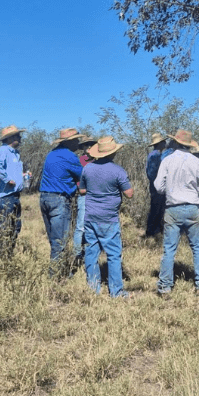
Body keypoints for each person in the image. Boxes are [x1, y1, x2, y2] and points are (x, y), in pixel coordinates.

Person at [154, 129, 199, 297]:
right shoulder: (197, 161)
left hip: (173, 208)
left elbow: (158, 186)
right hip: (193, 207)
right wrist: (195, 192)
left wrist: (169, 192)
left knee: (169, 249)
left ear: (176, 143)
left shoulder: (167, 160)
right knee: (198, 247)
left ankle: (165, 287)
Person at [80, 136, 134, 298]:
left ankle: (94, 288)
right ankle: (116, 291)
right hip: (108, 218)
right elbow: (129, 194)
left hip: (90, 215)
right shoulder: (118, 170)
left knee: (91, 251)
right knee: (113, 254)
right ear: (112, 153)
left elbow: (82, 191)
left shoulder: (87, 168)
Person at [39, 128, 84, 268]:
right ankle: (56, 277)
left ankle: (56, 269)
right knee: (60, 241)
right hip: (59, 199)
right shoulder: (70, 156)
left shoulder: (51, 154)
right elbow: (83, 175)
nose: (78, 143)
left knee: (53, 239)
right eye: (76, 140)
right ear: (69, 142)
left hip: (44, 198)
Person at [0, 125, 29, 251]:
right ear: (11, 138)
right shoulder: (2, 151)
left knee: (14, 228)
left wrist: (23, 176)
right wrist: (7, 179)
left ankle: (7, 257)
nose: (20, 137)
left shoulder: (15, 153)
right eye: (17, 135)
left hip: (13, 196)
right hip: (3, 197)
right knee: (4, 230)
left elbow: (11, 172)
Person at [73, 136, 96, 261]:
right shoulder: (80, 160)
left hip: (97, 196)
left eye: (91, 145)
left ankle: (90, 253)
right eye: (86, 145)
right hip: (84, 195)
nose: (89, 147)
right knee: (81, 226)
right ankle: (77, 254)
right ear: (82, 147)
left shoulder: (98, 160)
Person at [145, 133, 168, 237]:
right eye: (163, 142)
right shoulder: (156, 155)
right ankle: (151, 231)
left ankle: (155, 230)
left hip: (154, 185)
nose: (165, 143)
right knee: (156, 208)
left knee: (157, 207)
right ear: (160, 143)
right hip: (156, 186)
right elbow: (153, 172)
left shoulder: (154, 154)